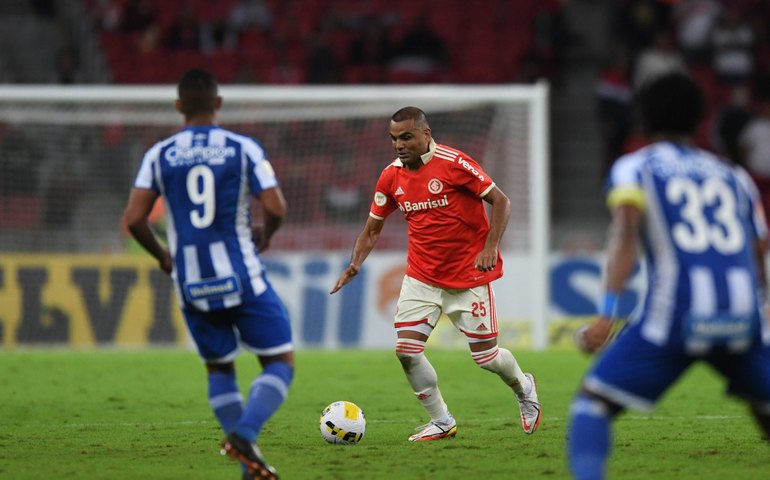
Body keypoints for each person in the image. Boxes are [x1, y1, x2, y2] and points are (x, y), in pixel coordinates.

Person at [567, 72, 770, 480]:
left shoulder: (634, 167)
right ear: (699, 121)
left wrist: (607, 314)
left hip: (677, 315)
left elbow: (624, 235)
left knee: (592, 406)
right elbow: (759, 248)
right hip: (741, 315)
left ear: (642, 121)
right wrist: (759, 314)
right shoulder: (734, 174)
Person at [330, 106, 542, 441]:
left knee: (486, 358)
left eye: (406, 137)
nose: (399, 144)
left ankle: (524, 387)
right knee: (406, 351)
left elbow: (501, 202)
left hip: (467, 277)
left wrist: (490, 247)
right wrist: (355, 264)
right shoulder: (390, 176)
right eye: (394, 138)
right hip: (421, 277)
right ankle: (442, 420)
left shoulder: (455, 163)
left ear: (425, 135)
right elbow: (372, 229)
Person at [121, 68, 292, 480]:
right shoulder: (241, 147)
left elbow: (133, 219)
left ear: (179, 106)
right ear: (218, 104)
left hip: (191, 281)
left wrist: (164, 256)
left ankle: (249, 469)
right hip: (242, 275)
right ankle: (245, 434)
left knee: (219, 369)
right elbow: (276, 207)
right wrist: (264, 236)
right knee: (279, 361)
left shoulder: (158, 154)